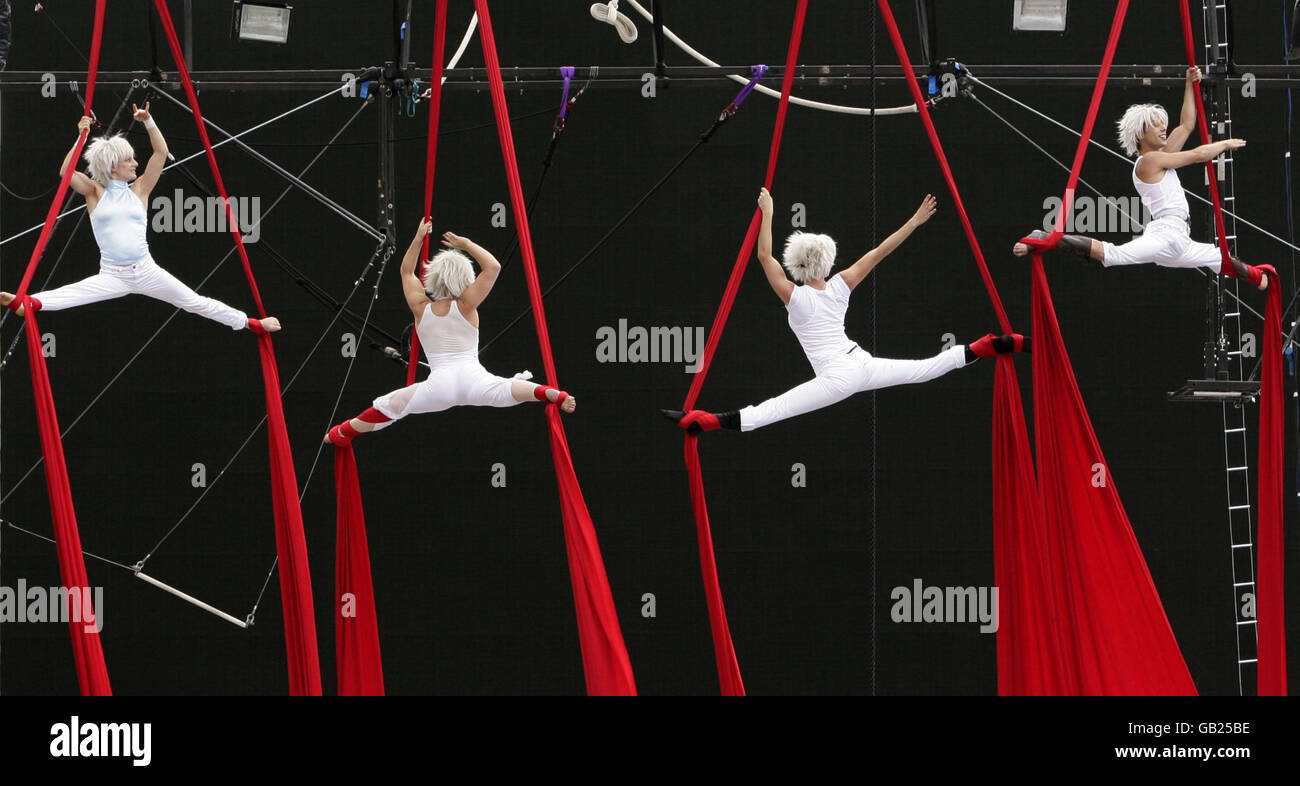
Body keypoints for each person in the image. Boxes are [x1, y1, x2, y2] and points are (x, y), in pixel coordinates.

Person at [662, 188, 1026, 435]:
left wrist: (768, 212)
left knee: (776, 409)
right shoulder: (841, 285)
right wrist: (914, 221)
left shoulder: (794, 295)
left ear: (797, 267)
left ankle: (705, 422)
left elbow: (763, 257)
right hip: (860, 362)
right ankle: (986, 345)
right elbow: (881, 250)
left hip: (839, 375)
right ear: (826, 262)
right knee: (924, 370)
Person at [1, 105, 281, 332]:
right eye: (130, 160)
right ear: (113, 167)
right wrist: (81, 137)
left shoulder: (140, 189)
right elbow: (66, 173)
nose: (136, 163)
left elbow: (160, 153)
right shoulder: (94, 192)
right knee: (76, 293)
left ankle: (249, 322)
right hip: (113, 274)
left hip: (146, 270)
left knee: (194, 302)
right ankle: (30, 303)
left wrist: (149, 122)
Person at [1012, 67, 1268, 290]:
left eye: (1162, 123)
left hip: (1180, 238)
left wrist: (1190, 84)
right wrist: (1225, 144)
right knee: (1114, 255)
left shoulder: (1161, 155)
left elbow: (1188, 124)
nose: (1162, 127)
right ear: (1141, 134)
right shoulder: (1149, 161)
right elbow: (1199, 154)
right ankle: (1044, 237)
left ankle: (1260, 279)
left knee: (1219, 259)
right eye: (1155, 124)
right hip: (1166, 234)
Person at [325, 218, 574, 445]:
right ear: (465, 278)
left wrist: (419, 237)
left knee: (393, 405)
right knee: (506, 389)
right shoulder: (467, 306)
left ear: (432, 278)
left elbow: (406, 272)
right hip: (474, 379)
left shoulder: (421, 308)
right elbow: (493, 267)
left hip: (439, 386)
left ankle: (341, 432)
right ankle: (547, 392)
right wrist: (466, 245)